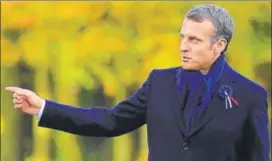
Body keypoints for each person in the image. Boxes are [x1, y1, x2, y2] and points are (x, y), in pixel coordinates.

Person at [5, 4, 270, 161]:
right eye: (182, 37)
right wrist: (43, 108)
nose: (182, 47)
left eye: (194, 40)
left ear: (219, 45)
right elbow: (109, 121)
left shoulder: (251, 96)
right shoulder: (159, 83)